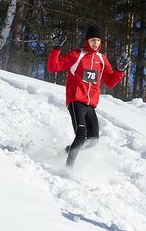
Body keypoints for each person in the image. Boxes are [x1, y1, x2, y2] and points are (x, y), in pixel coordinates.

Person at [46, 23, 127, 167]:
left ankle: (67, 151)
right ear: (87, 41)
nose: (95, 43)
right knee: (81, 135)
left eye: (98, 40)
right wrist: (56, 48)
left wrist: (119, 70)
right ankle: (68, 168)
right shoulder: (77, 55)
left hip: (90, 105)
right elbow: (54, 67)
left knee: (93, 140)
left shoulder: (102, 59)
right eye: (92, 40)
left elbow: (110, 82)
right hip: (76, 101)